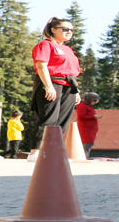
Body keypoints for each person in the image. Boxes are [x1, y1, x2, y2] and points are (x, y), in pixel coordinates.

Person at [30, 17, 81, 153]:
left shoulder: (68, 50)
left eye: (71, 30)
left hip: (69, 85)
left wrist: (76, 91)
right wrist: (48, 86)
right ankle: (37, 152)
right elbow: (41, 65)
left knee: (62, 122)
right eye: (65, 29)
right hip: (52, 82)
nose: (69, 32)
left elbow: (72, 71)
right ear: (53, 30)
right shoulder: (45, 45)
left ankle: (54, 152)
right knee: (48, 119)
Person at [76, 92, 102, 158]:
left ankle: (86, 156)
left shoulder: (89, 107)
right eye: (94, 100)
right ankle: (84, 157)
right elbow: (81, 116)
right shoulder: (82, 106)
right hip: (85, 129)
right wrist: (93, 116)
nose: (95, 102)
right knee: (86, 144)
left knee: (89, 144)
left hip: (90, 129)